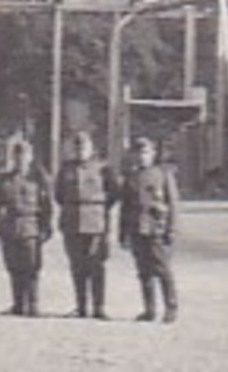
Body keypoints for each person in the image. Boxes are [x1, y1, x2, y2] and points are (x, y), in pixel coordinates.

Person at [54, 131, 120, 320]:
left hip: (96, 223)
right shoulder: (65, 169)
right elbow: (59, 196)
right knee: (77, 266)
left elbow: (113, 194)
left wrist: (97, 208)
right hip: (72, 223)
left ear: (91, 148)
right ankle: (81, 306)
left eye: (83, 147)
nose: (80, 150)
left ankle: (99, 307)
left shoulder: (102, 168)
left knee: (96, 265)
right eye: (77, 147)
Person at [0, 138, 53, 317]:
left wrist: (46, 227)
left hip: (31, 227)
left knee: (32, 267)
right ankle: (18, 304)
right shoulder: (4, 179)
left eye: (24, 156)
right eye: (17, 157)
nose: (20, 160)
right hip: (9, 227)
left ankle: (33, 304)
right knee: (13, 267)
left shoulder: (38, 179)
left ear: (30, 157)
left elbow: (46, 206)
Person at [119, 136, 180, 323]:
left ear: (153, 154)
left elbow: (173, 204)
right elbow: (125, 207)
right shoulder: (131, 177)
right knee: (143, 271)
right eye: (137, 152)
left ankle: (171, 308)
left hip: (157, 229)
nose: (141, 157)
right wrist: (123, 233)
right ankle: (149, 309)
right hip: (137, 228)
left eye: (145, 152)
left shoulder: (163, 174)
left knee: (163, 270)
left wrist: (172, 229)